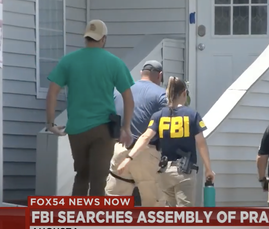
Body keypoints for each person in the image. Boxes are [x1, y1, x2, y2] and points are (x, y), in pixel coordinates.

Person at [45, 19, 135, 196]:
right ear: (104, 39)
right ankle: (95, 222)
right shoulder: (114, 62)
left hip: (77, 128)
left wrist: (50, 123)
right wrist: (126, 127)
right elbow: (128, 98)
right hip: (103, 129)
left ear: (86, 38)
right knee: (98, 180)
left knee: (81, 176)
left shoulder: (68, 61)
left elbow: (52, 93)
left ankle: (76, 220)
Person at [116, 77, 215, 207]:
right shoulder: (192, 115)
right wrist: (208, 169)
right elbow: (201, 143)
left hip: (165, 172)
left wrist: (128, 159)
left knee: (170, 215)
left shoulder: (159, 116)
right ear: (184, 93)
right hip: (184, 173)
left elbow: (145, 137)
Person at [106, 60, 167, 207]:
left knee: (114, 205)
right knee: (153, 207)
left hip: (119, 150)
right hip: (147, 153)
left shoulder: (118, 91)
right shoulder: (162, 95)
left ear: (141, 73)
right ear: (160, 75)